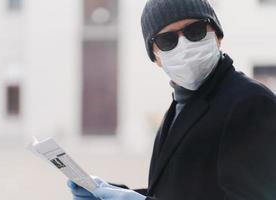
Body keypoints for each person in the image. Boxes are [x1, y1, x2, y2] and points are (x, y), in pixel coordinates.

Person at [67, 0, 276, 199]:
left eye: (195, 31)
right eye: (167, 40)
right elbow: (179, 190)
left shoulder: (251, 103)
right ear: (156, 57)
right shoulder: (181, 103)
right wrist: (110, 192)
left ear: (217, 36)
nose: (184, 45)